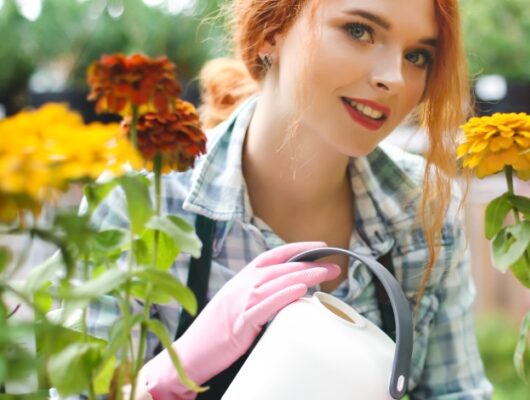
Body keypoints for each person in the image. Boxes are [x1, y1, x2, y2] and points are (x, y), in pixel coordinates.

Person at [87, 0, 493, 398]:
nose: (396, 78)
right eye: (359, 31)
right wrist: (171, 372)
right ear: (271, 31)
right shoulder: (142, 202)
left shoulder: (423, 212)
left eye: (418, 56)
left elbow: (456, 392)